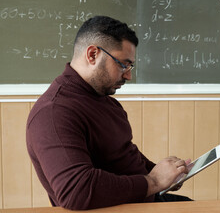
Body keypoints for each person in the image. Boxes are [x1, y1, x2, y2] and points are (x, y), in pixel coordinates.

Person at [26, 16, 192, 210]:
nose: (129, 75)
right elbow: (77, 191)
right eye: (123, 64)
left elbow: (122, 157)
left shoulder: (104, 100)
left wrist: (165, 174)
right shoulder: (53, 114)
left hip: (142, 201)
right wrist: (154, 181)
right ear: (93, 55)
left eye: (130, 66)